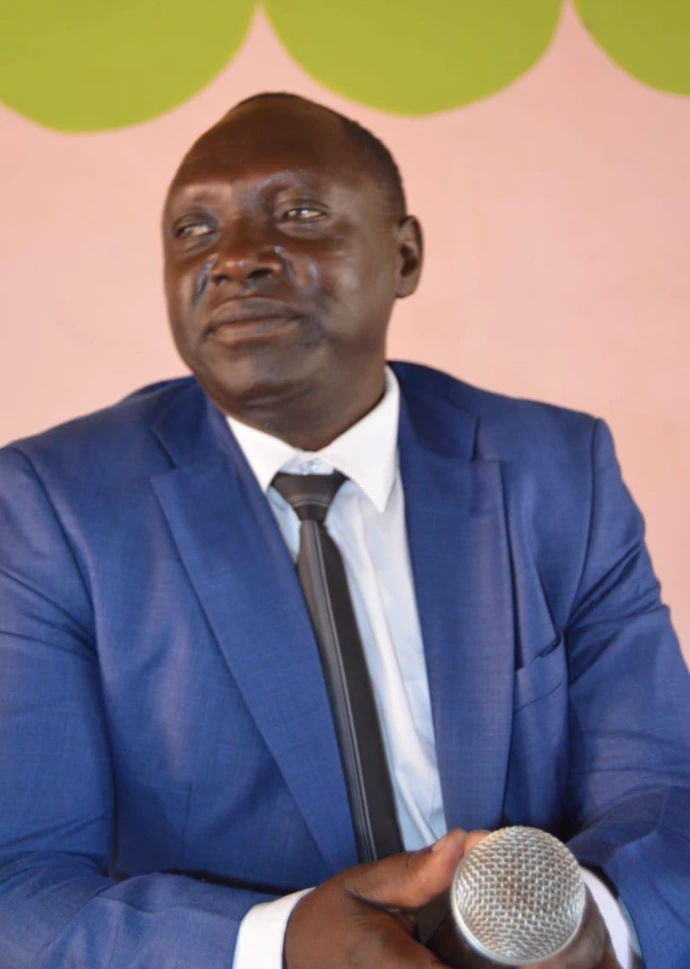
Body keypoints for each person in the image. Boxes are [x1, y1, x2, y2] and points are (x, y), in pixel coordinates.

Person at [0, 92, 688, 969]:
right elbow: (21, 886)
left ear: (405, 255)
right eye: (194, 230)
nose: (235, 258)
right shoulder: (52, 508)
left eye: (298, 213)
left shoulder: (558, 472)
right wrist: (278, 943)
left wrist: (589, 921)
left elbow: (665, 792)